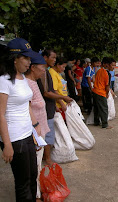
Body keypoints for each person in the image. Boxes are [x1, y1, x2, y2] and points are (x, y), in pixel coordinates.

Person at [0, 38, 41, 201]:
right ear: (14, 58)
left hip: (27, 134)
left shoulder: (22, 78)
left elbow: (27, 105)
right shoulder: (4, 80)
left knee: (32, 176)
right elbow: (0, 114)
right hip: (15, 138)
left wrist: (35, 125)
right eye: (26, 58)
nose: (29, 62)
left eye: (30, 58)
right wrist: (7, 145)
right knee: (23, 183)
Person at [38, 49, 72, 166]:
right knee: (48, 134)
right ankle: (47, 159)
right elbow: (47, 92)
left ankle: (45, 156)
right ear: (45, 57)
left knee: (47, 133)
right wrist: (63, 99)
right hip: (46, 109)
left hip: (50, 106)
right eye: (53, 58)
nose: (54, 60)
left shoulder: (46, 71)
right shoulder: (44, 72)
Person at [25, 53, 50, 201]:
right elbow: (27, 109)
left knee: (37, 164)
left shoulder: (34, 82)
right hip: (35, 132)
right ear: (32, 67)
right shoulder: (27, 84)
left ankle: (37, 192)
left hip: (40, 130)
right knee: (34, 165)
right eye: (42, 68)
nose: (43, 71)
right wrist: (35, 129)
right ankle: (35, 195)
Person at [92, 57, 115, 129]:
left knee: (96, 108)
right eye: (112, 65)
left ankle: (96, 122)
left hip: (95, 91)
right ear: (107, 65)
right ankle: (105, 124)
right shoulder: (107, 73)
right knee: (104, 108)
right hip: (101, 92)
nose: (113, 67)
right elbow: (107, 86)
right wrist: (107, 94)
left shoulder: (99, 70)